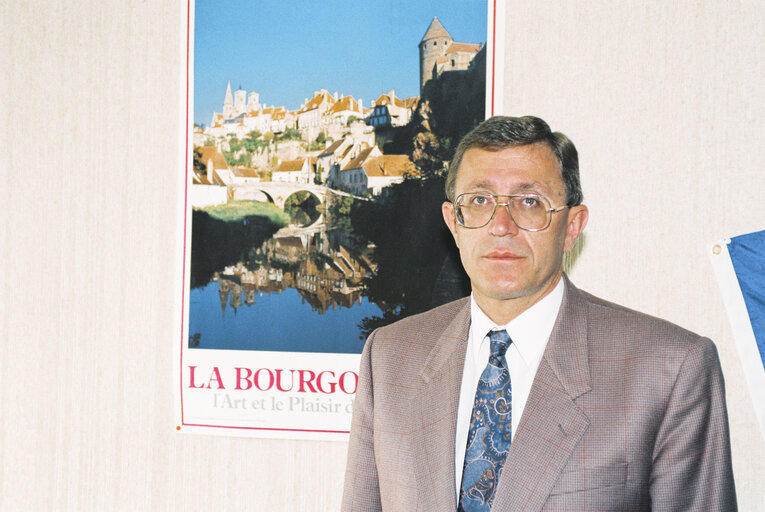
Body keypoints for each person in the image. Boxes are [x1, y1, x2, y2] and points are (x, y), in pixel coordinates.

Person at [341, 116, 736, 511]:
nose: (501, 226)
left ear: (572, 226)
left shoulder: (669, 369)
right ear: (453, 222)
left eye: (529, 203)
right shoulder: (390, 357)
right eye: (479, 201)